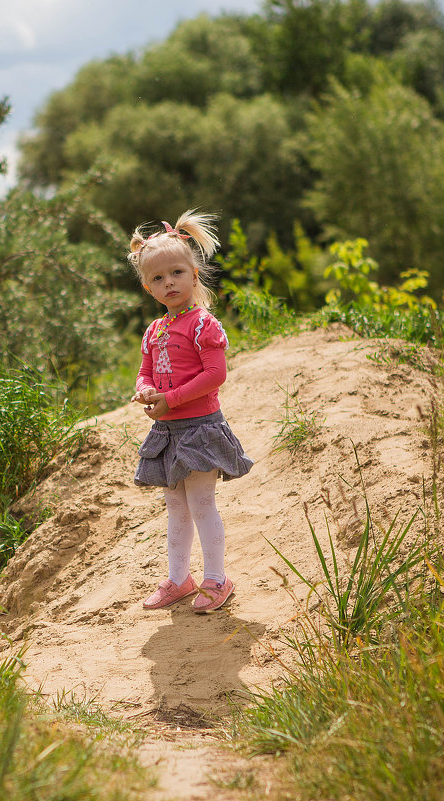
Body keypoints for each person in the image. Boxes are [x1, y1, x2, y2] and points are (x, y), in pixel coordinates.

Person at [128, 210, 253, 612]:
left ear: (194, 275)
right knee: (175, 507)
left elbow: (216, 375)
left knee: (201, 504)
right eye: (159, 279)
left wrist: (171, 399)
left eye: (177, 273)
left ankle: (217, 580)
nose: (170, 283)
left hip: (199, 428)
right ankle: (179, 579)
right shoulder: (155, 329)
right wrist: (146, 390)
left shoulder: (203, 324)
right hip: (167, 432)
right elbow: (145, 371)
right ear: (149, 288)